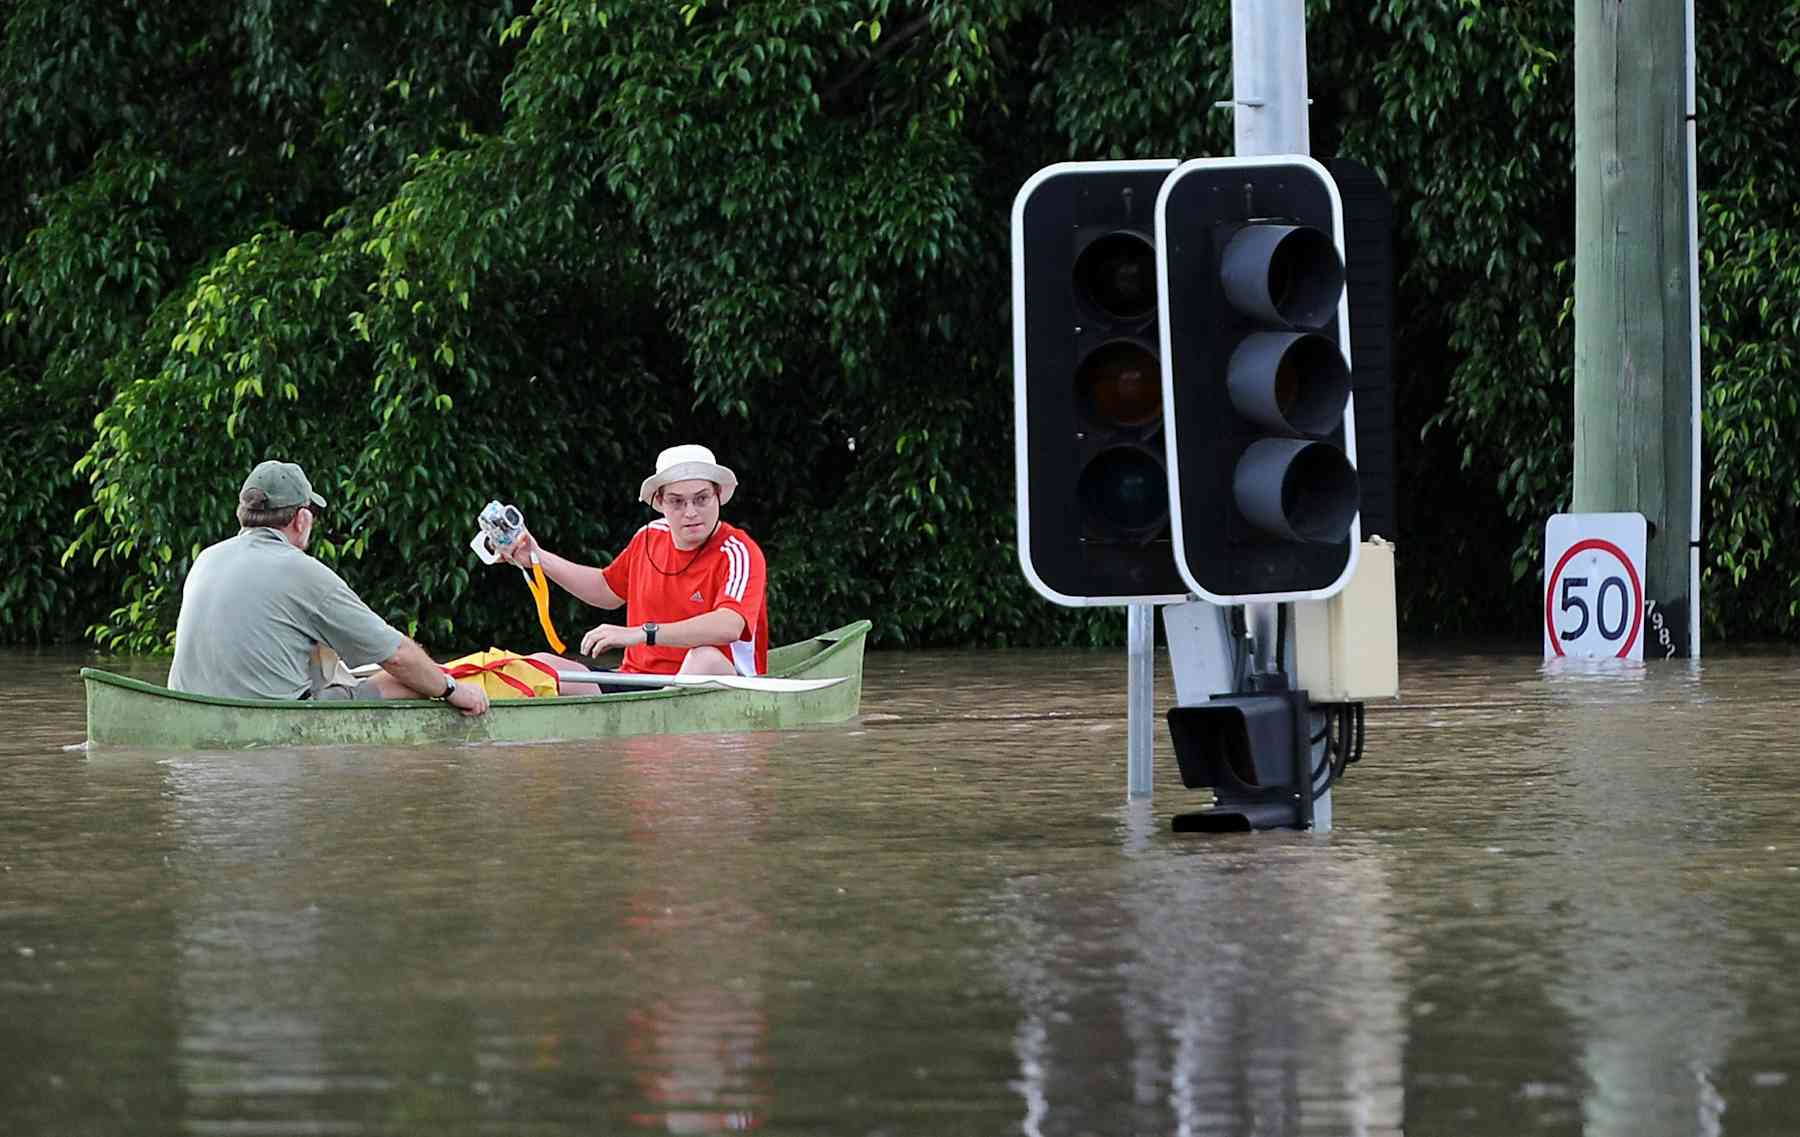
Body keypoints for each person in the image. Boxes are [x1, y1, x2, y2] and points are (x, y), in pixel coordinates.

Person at [167, 459, 490, 715]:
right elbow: (398, 657)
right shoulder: (301, 571)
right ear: (301, 519)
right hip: (276, 720)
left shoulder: (207, 558)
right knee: (411, 680)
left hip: (191, 709)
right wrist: (453, 690)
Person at [499, 444, 768, 692]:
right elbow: (606, 589)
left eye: (701, 499)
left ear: (718, 496)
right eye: (677, 501)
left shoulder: (738, 551)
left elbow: (729, 625)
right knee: (535, 666)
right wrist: (536, 557)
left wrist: (642, 633)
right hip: (636, 679)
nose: (690, 512)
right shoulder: (648, 537)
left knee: (704, 657)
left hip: (715, 682)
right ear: (660, 502)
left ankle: (653, 728)